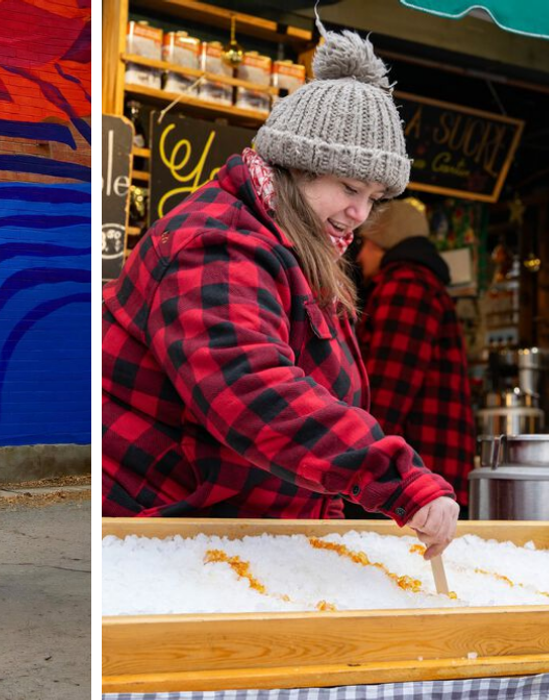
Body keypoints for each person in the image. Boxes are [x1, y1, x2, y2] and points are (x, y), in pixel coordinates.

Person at [101, 29, 459, 558]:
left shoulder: (302, 249)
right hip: (162, 535)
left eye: (374, 198)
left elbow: (326, 397)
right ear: (296, 166)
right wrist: (396, 479)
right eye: (350, 188)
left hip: (234, 537)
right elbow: (251, 388)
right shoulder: (218, 244)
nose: (360, 214)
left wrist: (329, 523)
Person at [355, 199, 476, 514]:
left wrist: (360, 464)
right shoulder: (421, 284)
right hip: (428, 471)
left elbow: (388, 389)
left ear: (385, 243)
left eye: (366, 243)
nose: (360, 254)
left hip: (415, 476)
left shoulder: (406, 286)